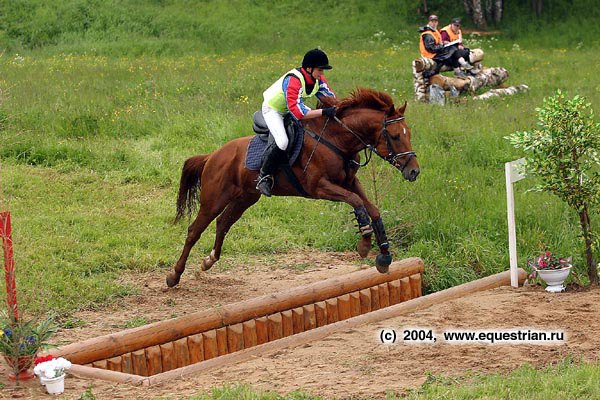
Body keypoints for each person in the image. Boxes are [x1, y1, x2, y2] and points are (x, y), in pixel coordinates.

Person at [256, 48, 337, 197]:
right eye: (320, 70)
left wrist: (339, 109)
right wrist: (324, 112)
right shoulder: (293, 80)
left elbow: (330, 98)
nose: (322, 74)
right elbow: (299, 113)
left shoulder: (318, 79)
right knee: (282, 142)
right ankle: (264, 176)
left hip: (290, 108)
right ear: (309, 68)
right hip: (273, 110)